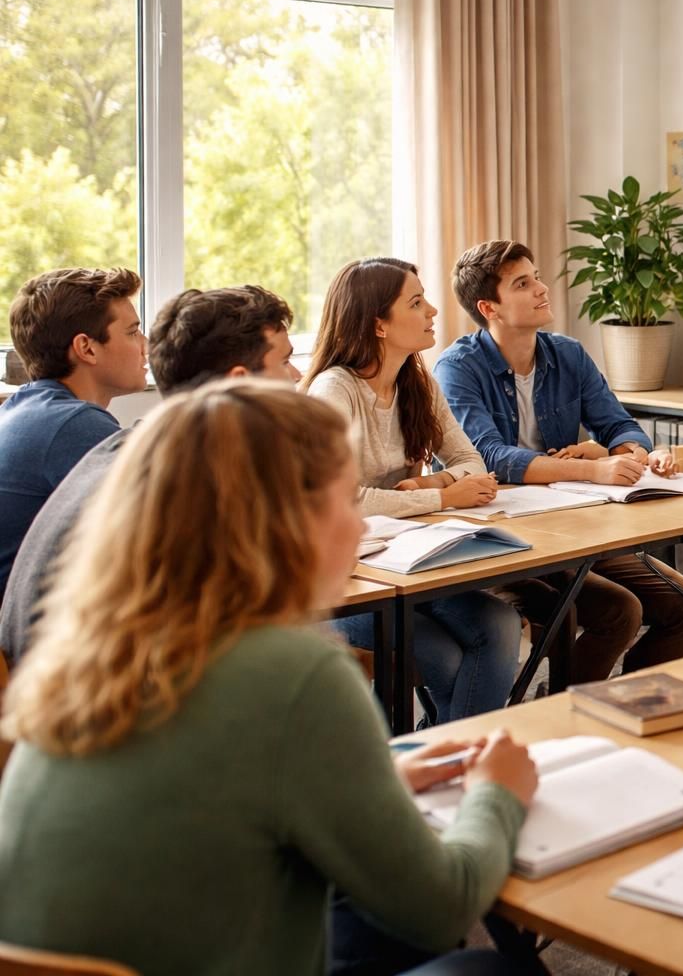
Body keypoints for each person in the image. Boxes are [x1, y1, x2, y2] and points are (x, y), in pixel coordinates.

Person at [0, 381, 538, 975]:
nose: (359, 528)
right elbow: (443, 907)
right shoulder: (296, 670)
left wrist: (362, 782)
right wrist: (498, 792)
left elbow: (205, 791)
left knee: (374, 912)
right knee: (486, 970)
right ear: (283, 521)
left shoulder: (95, 642)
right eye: (343, 502)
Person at [434, 239, 683, 683]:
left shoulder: (567, 354)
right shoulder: (458, 367)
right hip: (496, 539)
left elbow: (618, 424)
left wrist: (636, 453)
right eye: (523, 283)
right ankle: (563, 716)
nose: (542, 288)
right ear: (490, 307)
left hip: (572, 527)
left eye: (537, 276)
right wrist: (591, 468)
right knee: (618, 610)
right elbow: (488, 459)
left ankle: (631, 709)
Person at [0, 284, 299, 665]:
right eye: (285, 361)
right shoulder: (139, 456)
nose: (297, 375)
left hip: (49, 676)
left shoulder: (121, 439)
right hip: (65, 684)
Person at [305, 257, 520, 722]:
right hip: (345, 582)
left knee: (501, 623)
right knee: (444, 658)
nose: (433, 312)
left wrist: (435, 479)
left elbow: (471, 462)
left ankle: (440, 757)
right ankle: (444, 762)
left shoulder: (416, 382)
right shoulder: (334, 392)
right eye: (417, 302)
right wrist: (441, 497)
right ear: (378, 325)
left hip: (409, 563)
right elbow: (340, 500)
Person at [0, 267, 145, 601]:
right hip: (27, 648)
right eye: (133, 332)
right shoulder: (73, 425)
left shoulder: (28, 407)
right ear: (87, 348)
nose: (146, 345)